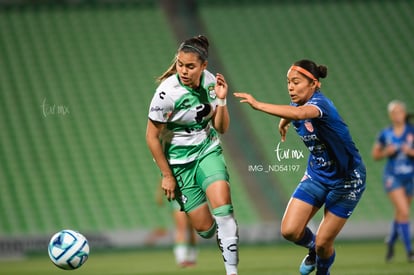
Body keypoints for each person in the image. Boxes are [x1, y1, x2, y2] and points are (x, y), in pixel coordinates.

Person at [234, 59, 366, 275]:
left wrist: (257, 105)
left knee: (325, 243)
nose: (290, 87)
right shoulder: (297, 105)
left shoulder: (320, 105)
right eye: (288, 82)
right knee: (289, 231)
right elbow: (293, 112)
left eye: (296, 82)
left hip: (347, 180)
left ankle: (323, 270)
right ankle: (313, 250)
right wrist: (283, 123)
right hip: (317, 175)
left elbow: (300, 114)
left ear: (314, 84)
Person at [146, 35, 239, 275]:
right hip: (179, 164)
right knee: (206, 229)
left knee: (224, 209)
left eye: (190, 66)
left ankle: (232, 270)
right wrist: (166, 175)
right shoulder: (166, 94)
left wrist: (221, 99)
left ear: (203, 66)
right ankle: (223, 237)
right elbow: (151, 137)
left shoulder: (211, 83)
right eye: (180, 64)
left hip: (207, 151)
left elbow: (222, 127)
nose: (184, 71)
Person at [372, 100, 414, 262]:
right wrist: (385, 152)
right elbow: (375, 155)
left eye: (400, 111)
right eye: (394, 112)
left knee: (400, 213)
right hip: (392, 176)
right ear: (391, 115)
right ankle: (410, 251)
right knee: (404, 211)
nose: (397, 115)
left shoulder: (411, 131)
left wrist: (410, 151)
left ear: (404, 113)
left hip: (409, 176)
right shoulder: (385, 134)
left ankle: (390, 241)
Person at [156, 181, 198, 268]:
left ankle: (191, 258)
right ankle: (181, 258)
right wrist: (159, 194)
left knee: (193, 229)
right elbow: (164, 178)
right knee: (181, 228)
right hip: (179, 199)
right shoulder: (173, 168)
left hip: (193, 198)